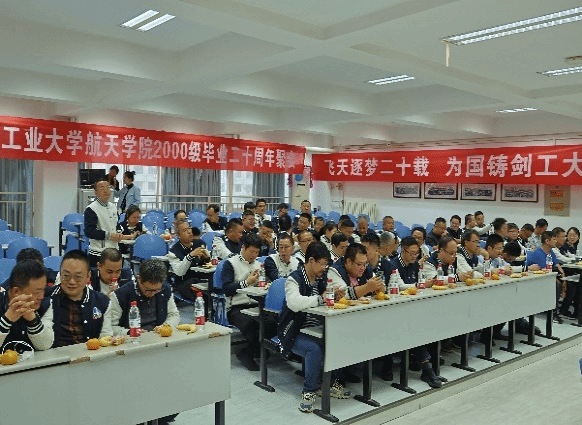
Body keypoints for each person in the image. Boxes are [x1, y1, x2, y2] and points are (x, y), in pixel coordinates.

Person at [277, 242, 351, 413]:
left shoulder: (322, 277)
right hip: (293, 331)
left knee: (338, 339)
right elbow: (294, 303)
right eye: (322, 264)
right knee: (314, 349)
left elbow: (337, 291)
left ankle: (331, 384)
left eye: (326, 264)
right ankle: (309, 391)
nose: (325, 268)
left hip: (317, 328)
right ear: (311, 260)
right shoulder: (294, 279)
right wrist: (320, 299)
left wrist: (337, 293)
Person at [388, 235, 443, 388]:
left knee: (431, 322)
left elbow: (420, 281)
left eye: (417, 253)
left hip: (413, 309)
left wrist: (427, 282)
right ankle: (427, 368)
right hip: (396, 311)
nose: (414, 256)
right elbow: (399, 286)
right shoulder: (393, 265)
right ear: (403, 250)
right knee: (415, 327)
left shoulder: (415, 265)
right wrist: (420, 285)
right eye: (412, 253)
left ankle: (429, 362)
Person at [221, 233, 274, 371]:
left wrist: (265, 284)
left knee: (273, 323)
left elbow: (265, 283)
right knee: (250, 325)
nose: (254, 255)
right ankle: (253, 351)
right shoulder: (230, 264)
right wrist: (247, 282)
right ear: (243, 247)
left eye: (257, 252)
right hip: (236, 307)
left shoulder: (259, 264)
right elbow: (226, 289)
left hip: (256, 305)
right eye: (251, 251)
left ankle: (249, 351)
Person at [50, 250, 111, 346]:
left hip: (90, 353)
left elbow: (106, 337)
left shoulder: (102, 302)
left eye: (78, 277)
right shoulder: (47, 297)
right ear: (60, 274)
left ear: (88, 276)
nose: (72, 282)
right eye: (66, 276)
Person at [103, 258, 180, 336]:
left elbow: (174, 314)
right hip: (131, 338)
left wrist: (167, 326)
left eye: (156, 290)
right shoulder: (120, 295)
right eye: (148, 290)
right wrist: (129, 332)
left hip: (159, 336)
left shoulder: (165, 289)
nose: (152, 294)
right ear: (139, 279)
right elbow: (110, 327)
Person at [0, 260, 54, 352]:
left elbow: (45, 346)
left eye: (43, 290)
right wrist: (7, 319)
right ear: (16, 291)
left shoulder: (46, 304)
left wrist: (33, 320)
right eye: (36, 292)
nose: (41, 296)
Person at [525, 230, 565, 323]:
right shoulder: (537, 253)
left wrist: (564, 279)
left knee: (567, 283)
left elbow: (558, 265)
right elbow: (544, 271)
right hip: (536, 278)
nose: (556, 241)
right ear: (547, 241)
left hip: (547, 276)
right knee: (557, 284)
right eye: (554, 239)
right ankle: (553, 312)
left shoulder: (550, 252)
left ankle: (563, 310)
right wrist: (560, 282)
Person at [167, 220, 210, 301]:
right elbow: (179, 272)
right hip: (186, 282)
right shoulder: (173, 251)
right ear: (178, 235)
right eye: (185, 230)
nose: (189, 232)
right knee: (206, 297)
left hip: (203, 278)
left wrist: (207, 258)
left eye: (189, 228)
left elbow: (210, 263)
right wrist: (190, 256)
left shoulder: (200, 243)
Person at [85, 179, 123, 267]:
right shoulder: (91, 209)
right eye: (102, 188)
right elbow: (89, 231)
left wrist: (119, 232)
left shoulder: (113, 206)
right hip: (98, 252)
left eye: (108, 188)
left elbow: (117, 224)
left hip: (114, 250)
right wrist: (109, 235)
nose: (106, 191)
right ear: (95, 193)